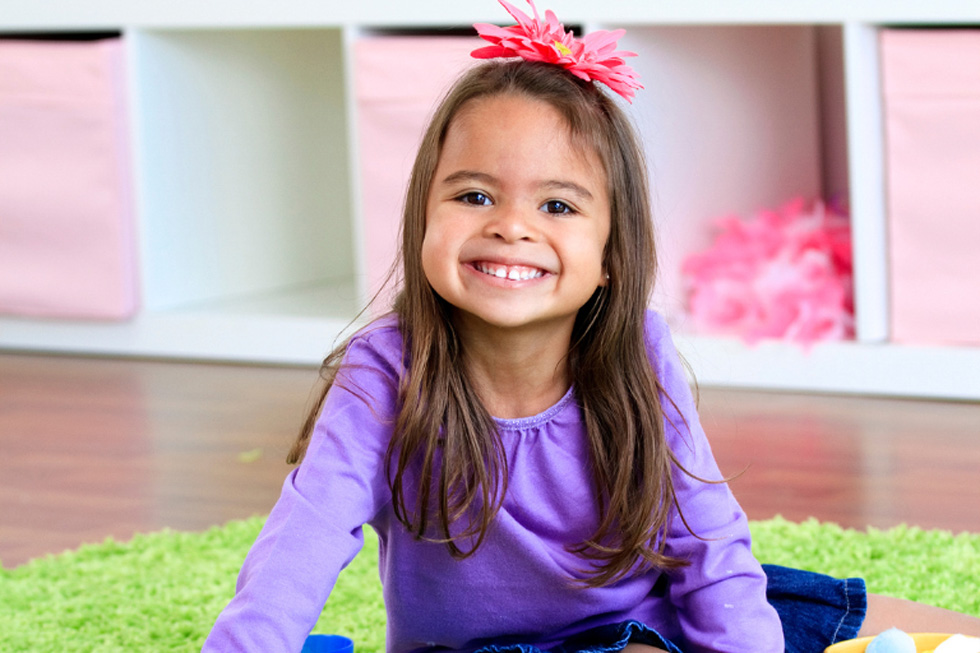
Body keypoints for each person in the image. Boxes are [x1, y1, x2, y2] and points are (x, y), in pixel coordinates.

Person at [203, 2, 980, 652]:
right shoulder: (385, 370)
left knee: (849, 615)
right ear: (422, 218)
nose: (510, 227)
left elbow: (706, 540)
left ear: (611, 255)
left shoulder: (639, 352)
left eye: (557, 205)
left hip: (646, 615)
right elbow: (297, 549)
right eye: (474, 196)